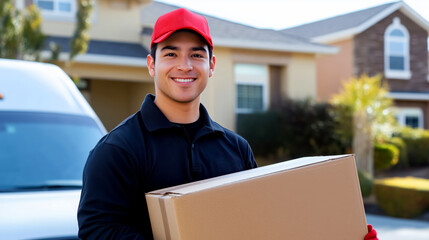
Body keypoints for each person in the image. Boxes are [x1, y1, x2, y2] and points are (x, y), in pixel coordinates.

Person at [77, 8, 378, 240]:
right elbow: (97, 230)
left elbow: (263, 222)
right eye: (171, 54)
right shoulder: (118, 149)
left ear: (211, 65)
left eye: (197, 54)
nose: (185, 65)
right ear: (152, 64)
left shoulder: (236, 148)